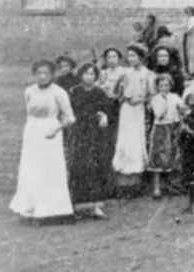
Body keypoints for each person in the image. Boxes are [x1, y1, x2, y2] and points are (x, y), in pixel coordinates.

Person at [9, 59, 76, 221]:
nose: (42, 76)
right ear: (35, 74)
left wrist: (56, 129)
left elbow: (70, 118)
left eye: (46, 73)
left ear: (52, 74)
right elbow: (29, 113)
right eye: (39, 73)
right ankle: (29, 207)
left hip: (50, 133)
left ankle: (50, 210)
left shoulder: (59, 92)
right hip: (32, 133)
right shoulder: (29, 91)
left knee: (49, 169)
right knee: (30, 169)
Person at [66, 62, 115, 219]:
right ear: (81, 75)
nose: (89, 77)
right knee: (78, 165)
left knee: (96, 165)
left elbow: (107, 110)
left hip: (95, 134)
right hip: (79, 132)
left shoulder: (99, 92)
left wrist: (103, 115)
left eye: (92, 74)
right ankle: (76, 205)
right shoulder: (74, 92)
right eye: (86, 73)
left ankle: (96, 205)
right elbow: (70, 111)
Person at [113, 43, 155, 194]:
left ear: (141, 58)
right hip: (126, 109)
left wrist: (141, 100)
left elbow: (152, 94)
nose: (131, 59)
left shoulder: (148, 74)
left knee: (136, 140)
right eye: (129, 56)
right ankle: (123, 181)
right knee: (124, 140)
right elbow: (117, 92)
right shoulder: (125, 73)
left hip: (139, 110)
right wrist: (124, 97)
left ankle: (137, 180)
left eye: (134, 56)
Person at [148, 74, 184, 199]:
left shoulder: (174, 97)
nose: (164, 88)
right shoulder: (156, 99)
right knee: (159, 156)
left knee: (173, 155)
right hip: (161, 129)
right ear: (157, 86)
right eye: (161, 85)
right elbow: (159, 115)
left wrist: (183, 109)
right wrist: (164, 102)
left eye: (167, 85)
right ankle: (157, 188)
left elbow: (183, 108)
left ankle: (171, 185)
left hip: (173, 127)